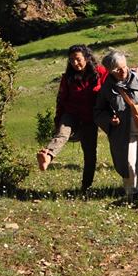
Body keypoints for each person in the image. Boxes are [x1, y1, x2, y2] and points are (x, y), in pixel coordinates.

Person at [36, 45, 108, 191]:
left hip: (90, 118)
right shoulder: (68, 77)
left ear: (87, 58)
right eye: (71, 60)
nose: (75, 63)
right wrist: (58, 120)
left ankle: (85, 187)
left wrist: (135, 71)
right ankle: (48, 156)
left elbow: (115, 77)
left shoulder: (100, 72)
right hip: (71, 113)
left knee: (89, 154)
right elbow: (61, 99)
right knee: (62, 134)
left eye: (78, 59)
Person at [94, 50, 138, 200]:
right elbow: (99, 111)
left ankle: (133, 189)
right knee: (128, 162)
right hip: (124, 132)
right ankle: (131, 191)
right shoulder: (107, 88)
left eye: (124, 66)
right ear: (110, 71)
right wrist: (109, 120)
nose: (122, 71)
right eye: (117, 69)